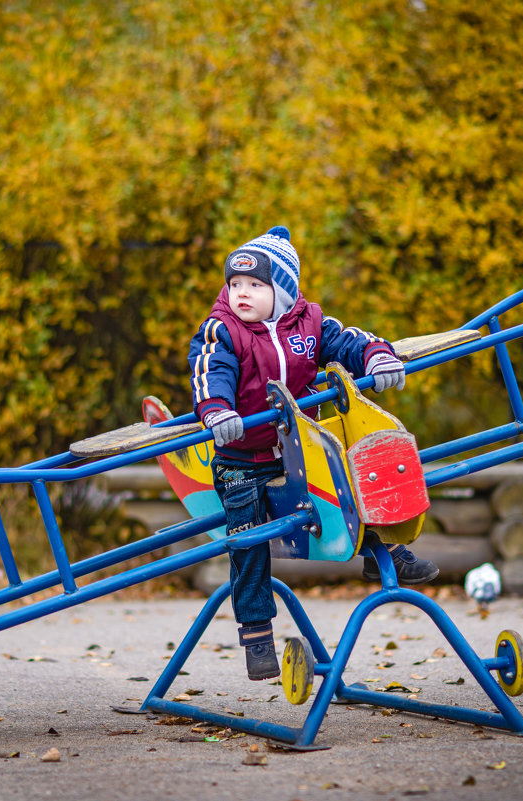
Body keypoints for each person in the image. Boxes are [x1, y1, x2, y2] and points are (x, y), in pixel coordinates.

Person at [188, 225, 440, 681]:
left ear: (283, 290)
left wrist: (377, 357)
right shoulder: (222, 331)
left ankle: (382, 549)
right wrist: (217, 410)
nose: (241, 293)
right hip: (241, 458)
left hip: (297, 450)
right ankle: (257, 633)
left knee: (346, 482)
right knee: (248, 538)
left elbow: (350, 341)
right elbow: (210, 371)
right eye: (235, 284)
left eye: (255, 285)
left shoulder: (309, 324)